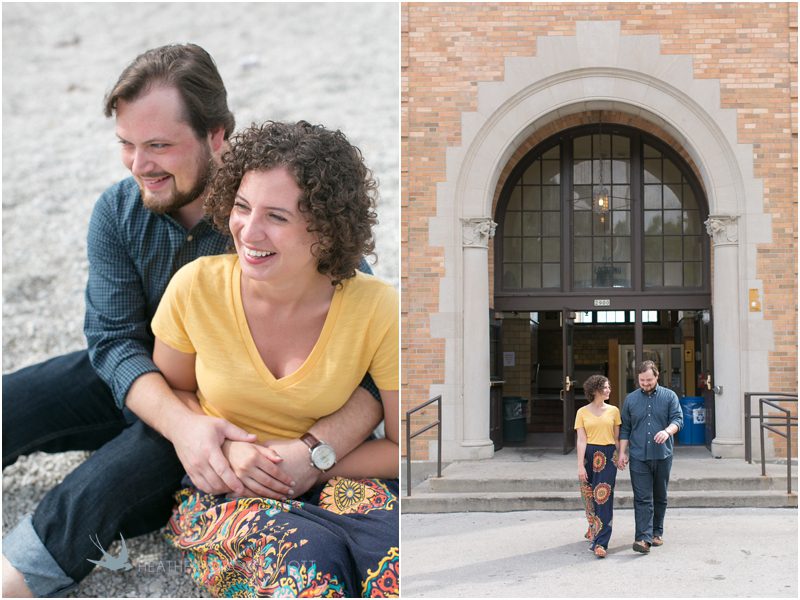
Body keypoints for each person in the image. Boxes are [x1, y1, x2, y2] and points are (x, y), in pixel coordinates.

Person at [2, 44, 385, 597]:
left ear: (217, 135)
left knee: (108, 482)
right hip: (149, 378)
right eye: (127, 145)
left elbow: (370, 362)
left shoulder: (275, 217)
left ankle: (17, 576)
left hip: (238, 409)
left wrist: (311, 450)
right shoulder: (117, 212)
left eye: (158, 145)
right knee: (14, 400)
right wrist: (184, 425)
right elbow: (111, 342)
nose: (139, 165)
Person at [151, 120, 399, 596]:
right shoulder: (195, 288)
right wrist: (223, 450)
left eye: (277, 217)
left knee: (391, 563)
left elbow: (400, 445)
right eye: (242, 207)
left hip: (341, 479)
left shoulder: (377, 307)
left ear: (324, 231)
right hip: (226, 490)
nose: (248, 230)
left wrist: (313, 462)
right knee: (310, 567)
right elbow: (173, 394)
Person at [617, 360, 683, 554]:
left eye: (649, 380)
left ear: (657, 377)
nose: (645, 383)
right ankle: (643, 538)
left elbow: (678, 420)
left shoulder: (669, 396)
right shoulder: (630, 399)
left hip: (662, 455)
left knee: (659, 496)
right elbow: (625, 428)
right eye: (642, 380)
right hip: (638, 455)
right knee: (642, 497)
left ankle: (657, 532)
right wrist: (622, 452)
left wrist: (667, 431)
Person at [574, 374, 621, 559]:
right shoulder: (582, 412)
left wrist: (621, 455)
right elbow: (581, 440)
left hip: (608, 456)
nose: (609, 390)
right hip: (588, 455)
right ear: (595, 390)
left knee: (603, 497)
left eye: (609, 387)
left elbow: (617, 438)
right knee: (588, 496)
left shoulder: (614, 411)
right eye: (606, 387)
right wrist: (580, 466)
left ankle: (601, 542)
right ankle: (593, 526)